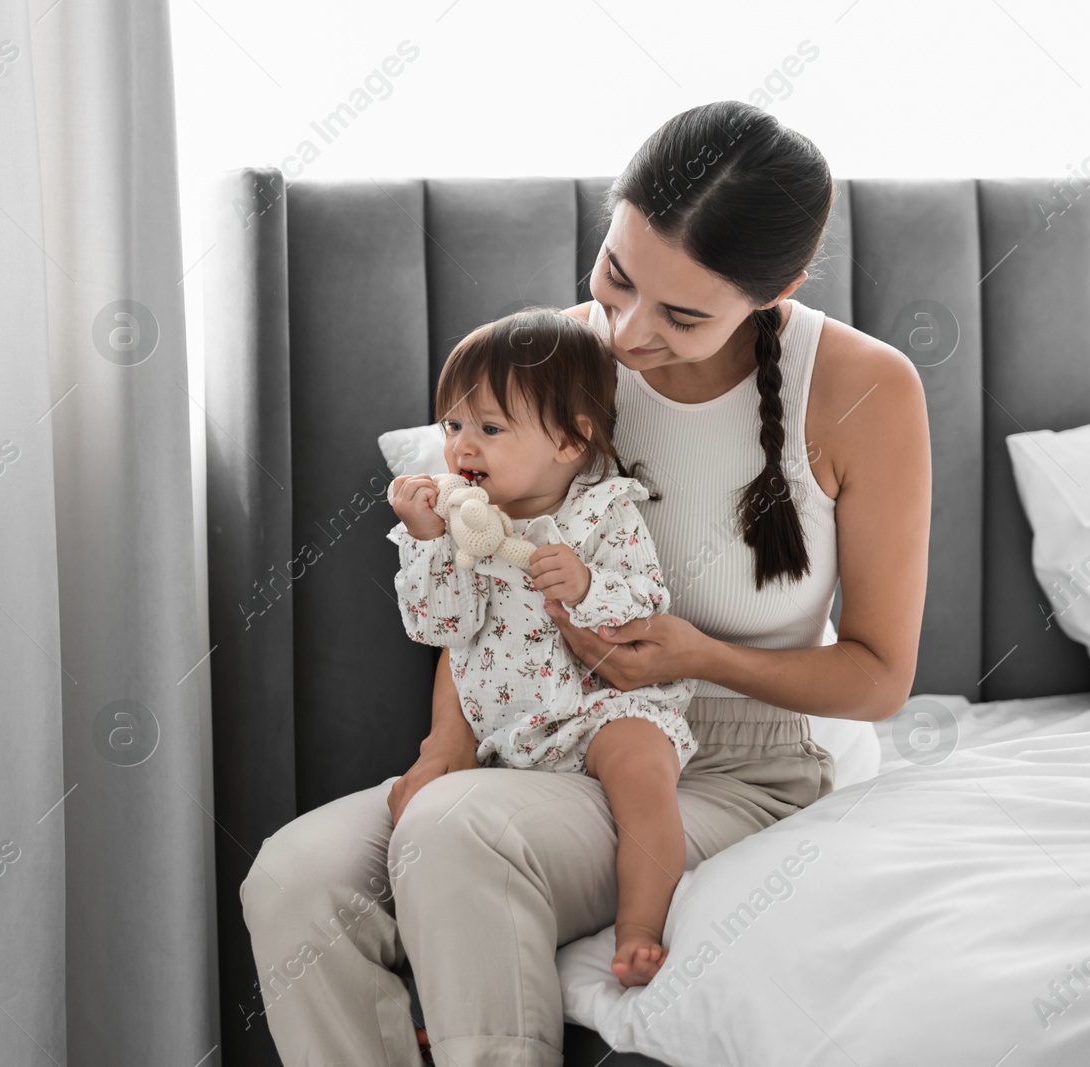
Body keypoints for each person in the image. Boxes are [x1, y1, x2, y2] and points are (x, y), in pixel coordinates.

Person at [240, 99, 931, 1067]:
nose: (628, 330)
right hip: (544, 732)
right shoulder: (558, 362)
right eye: (616, 276)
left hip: (741, 765)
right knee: (294, 877)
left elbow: (880, 676)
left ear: (776, 289)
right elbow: (489, 582)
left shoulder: (865, 387)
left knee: (455, 832)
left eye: (681, 315)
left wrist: (693, 654)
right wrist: (445, 742)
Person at [385, 307, 698, 987]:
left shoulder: (605, 511)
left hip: (603, 710)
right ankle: (450, 987)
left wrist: (586, 584)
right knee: (419, 824)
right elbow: (438, 626)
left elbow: (646, 608)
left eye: (490, 429)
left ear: (569, 441)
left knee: (643, 771)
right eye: (453, 426)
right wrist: (428, 539)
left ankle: (641, 925)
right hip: (507, 732)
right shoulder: (459, 527)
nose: (463, 448)